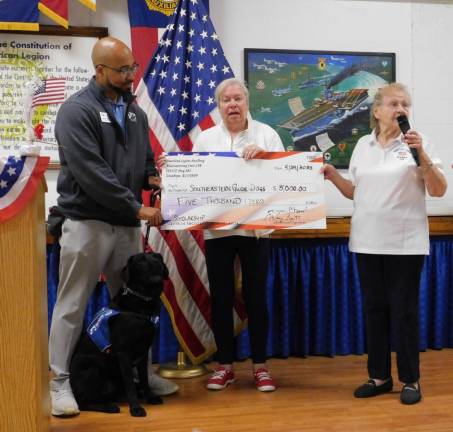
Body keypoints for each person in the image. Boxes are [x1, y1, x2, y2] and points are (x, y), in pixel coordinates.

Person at [48, 37, 178, 417]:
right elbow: (91, 173)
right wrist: (136, 207)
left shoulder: (134, 112)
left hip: (125, 225)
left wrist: (153, 176)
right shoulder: (76, 111)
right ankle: (60, 382)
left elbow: (143, 159)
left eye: (132, 68)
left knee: (136, 306)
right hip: (86, 221)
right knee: (72, 303)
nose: (130, 76)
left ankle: (142, 376)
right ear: (100, 70)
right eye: (122, 70)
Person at [323, 82, 447, 405]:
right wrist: (330, 175)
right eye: (393, 104)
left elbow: (438, 190)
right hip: (366, 241)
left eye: (405, 104)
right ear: (376, 112)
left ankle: (410, 380)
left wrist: (423, 157)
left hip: (405, 245)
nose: (401, 109)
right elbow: (356, 193)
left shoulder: (419, 144)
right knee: (374, 310)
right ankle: (379, 376)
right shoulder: (362, 145)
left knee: (404, 312)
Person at [194, 78, 284, 391]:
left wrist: (267, 159)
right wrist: (171, 171)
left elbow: (286, 177)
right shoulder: (205, 139)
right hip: (218, 231)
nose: (232, 104)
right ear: (218, 106)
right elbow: (193, 181)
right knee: (220, 297)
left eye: (238, 99)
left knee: (256, 297)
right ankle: (225, 366)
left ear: (247, 103)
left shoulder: (267, 134)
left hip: (256, 229)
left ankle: (260, 366)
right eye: (226, 100)